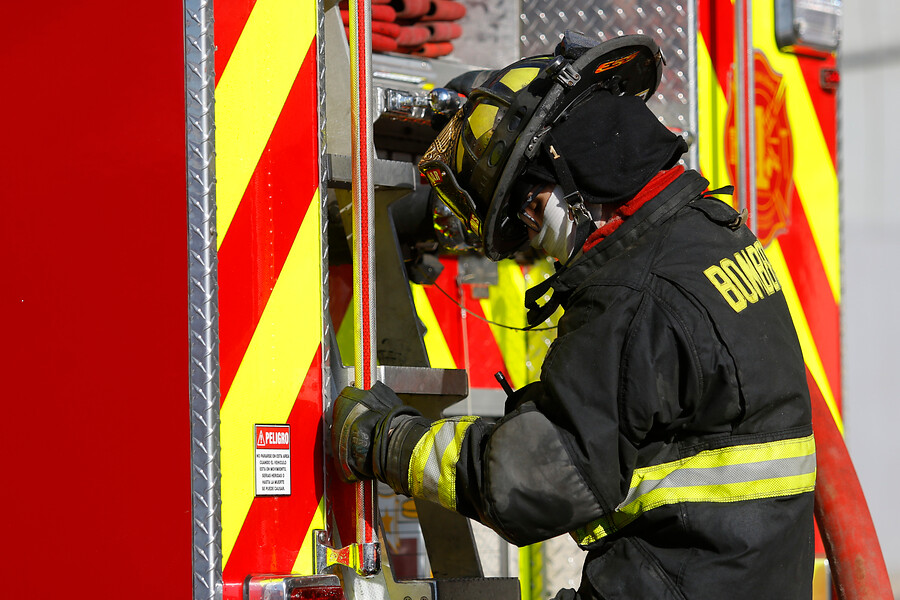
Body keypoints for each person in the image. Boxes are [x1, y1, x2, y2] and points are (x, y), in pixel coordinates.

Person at [333, 31, 815, 599]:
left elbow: (533, 480)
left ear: (580, 173)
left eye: (531, 209)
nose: (536, 238)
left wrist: (388, 441)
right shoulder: (709, 235)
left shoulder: (632, 293)